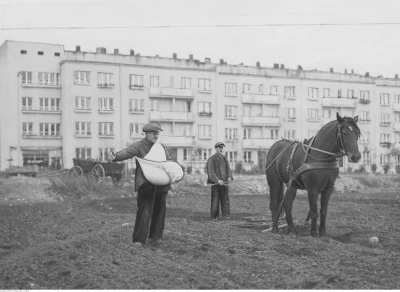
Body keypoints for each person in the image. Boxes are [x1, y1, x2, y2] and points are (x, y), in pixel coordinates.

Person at [109, 123, 172, 246]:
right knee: (144, 211)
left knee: (160, 211)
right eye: (154, 133)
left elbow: (168, 161)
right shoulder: (139, 146)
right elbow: (128, 152)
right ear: (147, 134)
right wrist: (116, 156)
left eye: (158, 133)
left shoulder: (161, 147)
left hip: (161, 185)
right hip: (146, 185)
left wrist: (172, 174)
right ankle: (139, 240)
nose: (156, 135)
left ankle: (156, 237)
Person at [206, 142, 233, 220]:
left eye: (222, 148)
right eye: (219, 148)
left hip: (224, 183)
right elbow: (211, 173)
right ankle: (214, 216)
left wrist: (229, 177)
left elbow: (228, 169)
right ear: (216, 148)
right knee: (215, 200)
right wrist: (217, 180)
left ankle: (226, 215)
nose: (221, 149)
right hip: (215, 184)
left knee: (225, 199)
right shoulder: (211, 159)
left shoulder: (224, 158)